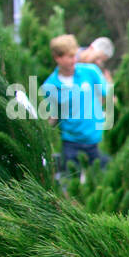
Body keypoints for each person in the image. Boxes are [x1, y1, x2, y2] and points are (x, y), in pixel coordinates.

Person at [42, 34, 110, 173]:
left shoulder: (90, 72)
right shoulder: (50, 85)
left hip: (94, 140)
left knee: (100, 181)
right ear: (57, 58)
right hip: (71, 142)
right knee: (70, 182)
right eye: (69, 57)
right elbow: (53, 116)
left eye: (75, 56)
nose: (74, 60)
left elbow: (106, 95)